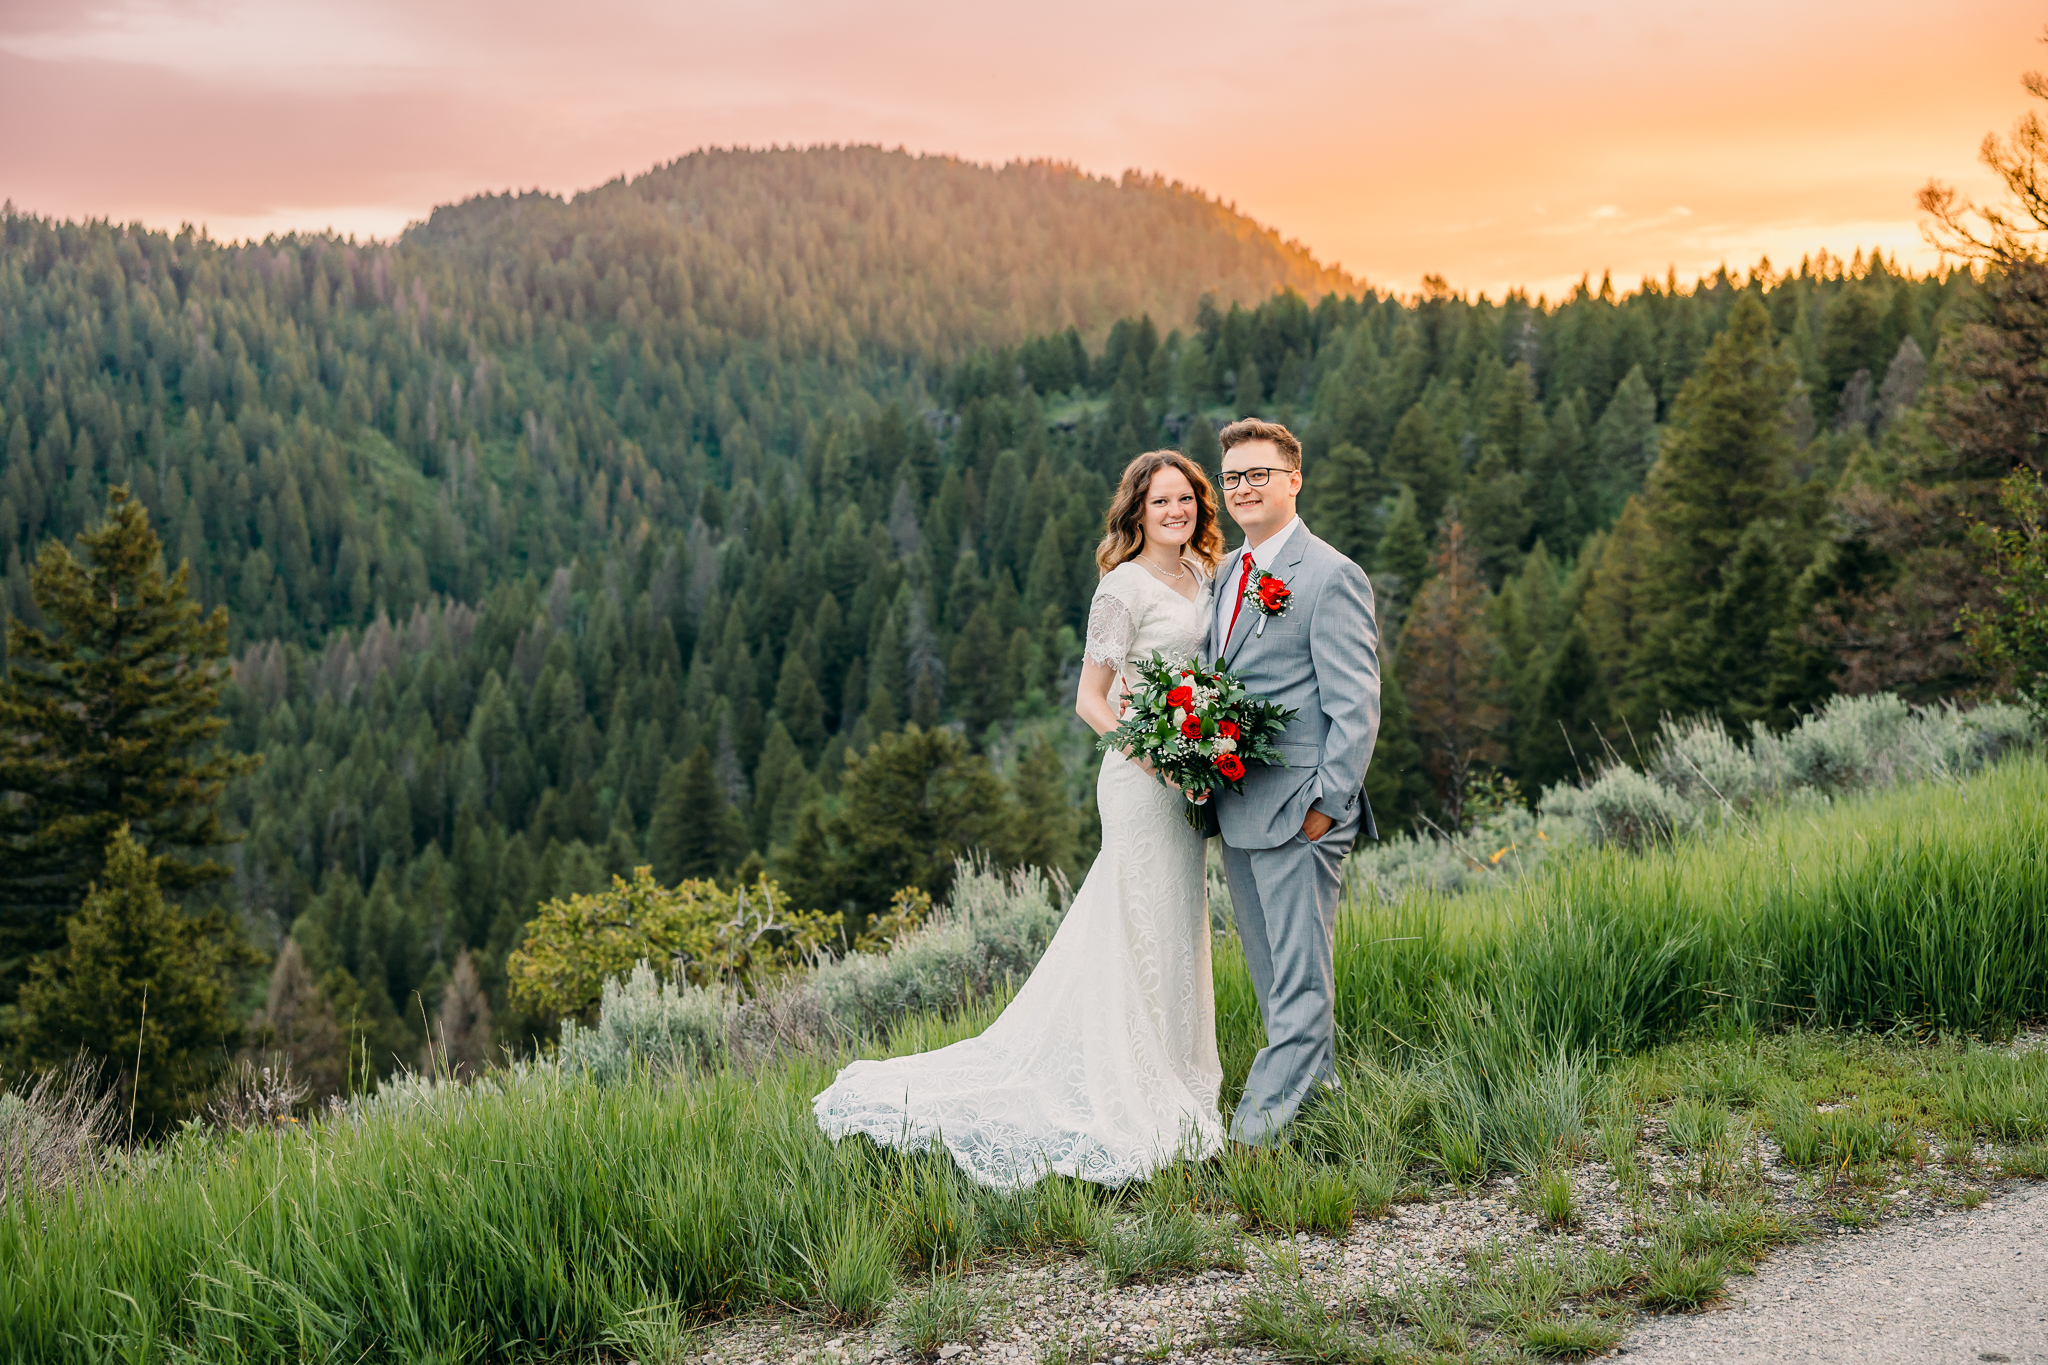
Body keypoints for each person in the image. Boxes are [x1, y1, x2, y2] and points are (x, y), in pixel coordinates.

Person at [811, 450, 1227, 1187]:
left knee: (1176, 920)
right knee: (1137, 917)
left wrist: (1203, 744)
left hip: (1190, 772)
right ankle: (1130, 1081)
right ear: (1136, 512)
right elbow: (1091, 700)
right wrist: (1153, 753)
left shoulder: (1201, 574)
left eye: (1186, 500)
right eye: (1160, 502)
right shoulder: (1121, 587)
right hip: (1138, 779)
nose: (1176, 512)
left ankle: (1179, 1069)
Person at [1206, 418, 1381, 1146]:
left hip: (1302, 812)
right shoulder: (1225, 575)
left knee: (1301, 977)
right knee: (1274, 973)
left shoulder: (1329, 574)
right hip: (1239, 809)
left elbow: (1357, 708)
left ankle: (1255, 1136)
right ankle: (1322, 1106)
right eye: (1234, 477)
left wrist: (1327, 808)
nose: (1244, 488)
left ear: (1294, 480)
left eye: (1259, 474)